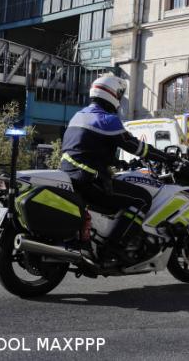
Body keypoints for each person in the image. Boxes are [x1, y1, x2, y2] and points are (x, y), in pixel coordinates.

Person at [59, 73, 171, 257]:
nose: (119, 99)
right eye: (119, 94)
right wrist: (165, 157)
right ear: (111, 94)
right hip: (89, 180)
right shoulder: (106, 119)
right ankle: (115, 246)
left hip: (71, 175)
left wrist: (118, 163)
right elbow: (137, 147)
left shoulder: (79, 116)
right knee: (142, 199)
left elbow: (89, 149)